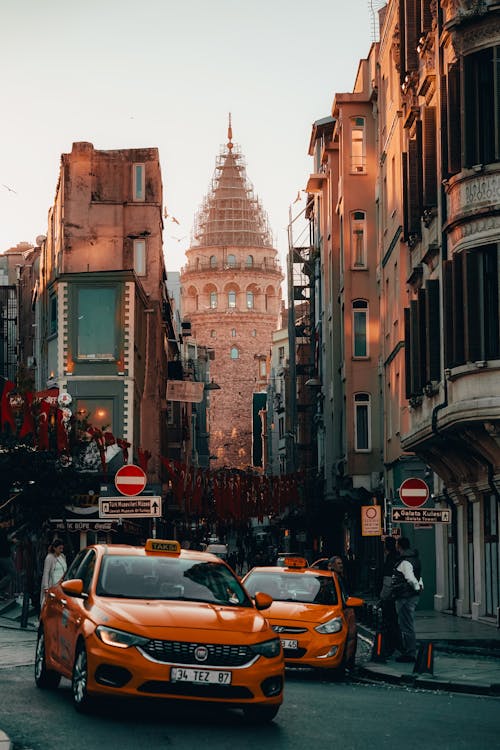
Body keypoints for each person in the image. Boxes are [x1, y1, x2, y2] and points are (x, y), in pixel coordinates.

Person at [392, 536, 424, 663]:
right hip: (410, 595)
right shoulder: (415, 558)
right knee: (407, 624)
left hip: (405, 596)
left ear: (399, 545)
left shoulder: (405, 561)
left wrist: (416, 587)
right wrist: (420, 586)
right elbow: (418, 575)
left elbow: (410, 578)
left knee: (406, 625)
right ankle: (409, 651)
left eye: (396, 544)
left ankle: (410, 653)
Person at [378, 536, 401, 657]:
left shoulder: (390, 559)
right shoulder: (398, 557)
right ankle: (397, 645)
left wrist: (382, 597)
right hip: (398, 596)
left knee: (390, 623)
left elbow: (388, 580)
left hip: (390, 597)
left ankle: (392, 647)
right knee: (395, 623)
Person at [40, 539, 67, 609]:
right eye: (59, 548)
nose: (61, 550)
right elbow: (46, 572)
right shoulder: (49, 558)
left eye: (62, 548)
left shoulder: (63, 556)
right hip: (53, 584)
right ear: (54, 548)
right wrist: (46, 587)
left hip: (62, 584)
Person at [0, 528, 16, 600]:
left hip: (3, 555)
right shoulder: (2, 531)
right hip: (4, 556)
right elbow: (4, 543)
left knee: (5, 575)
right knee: (13, 573)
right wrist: (12, 541)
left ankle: (2, 592)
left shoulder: (3, 531)